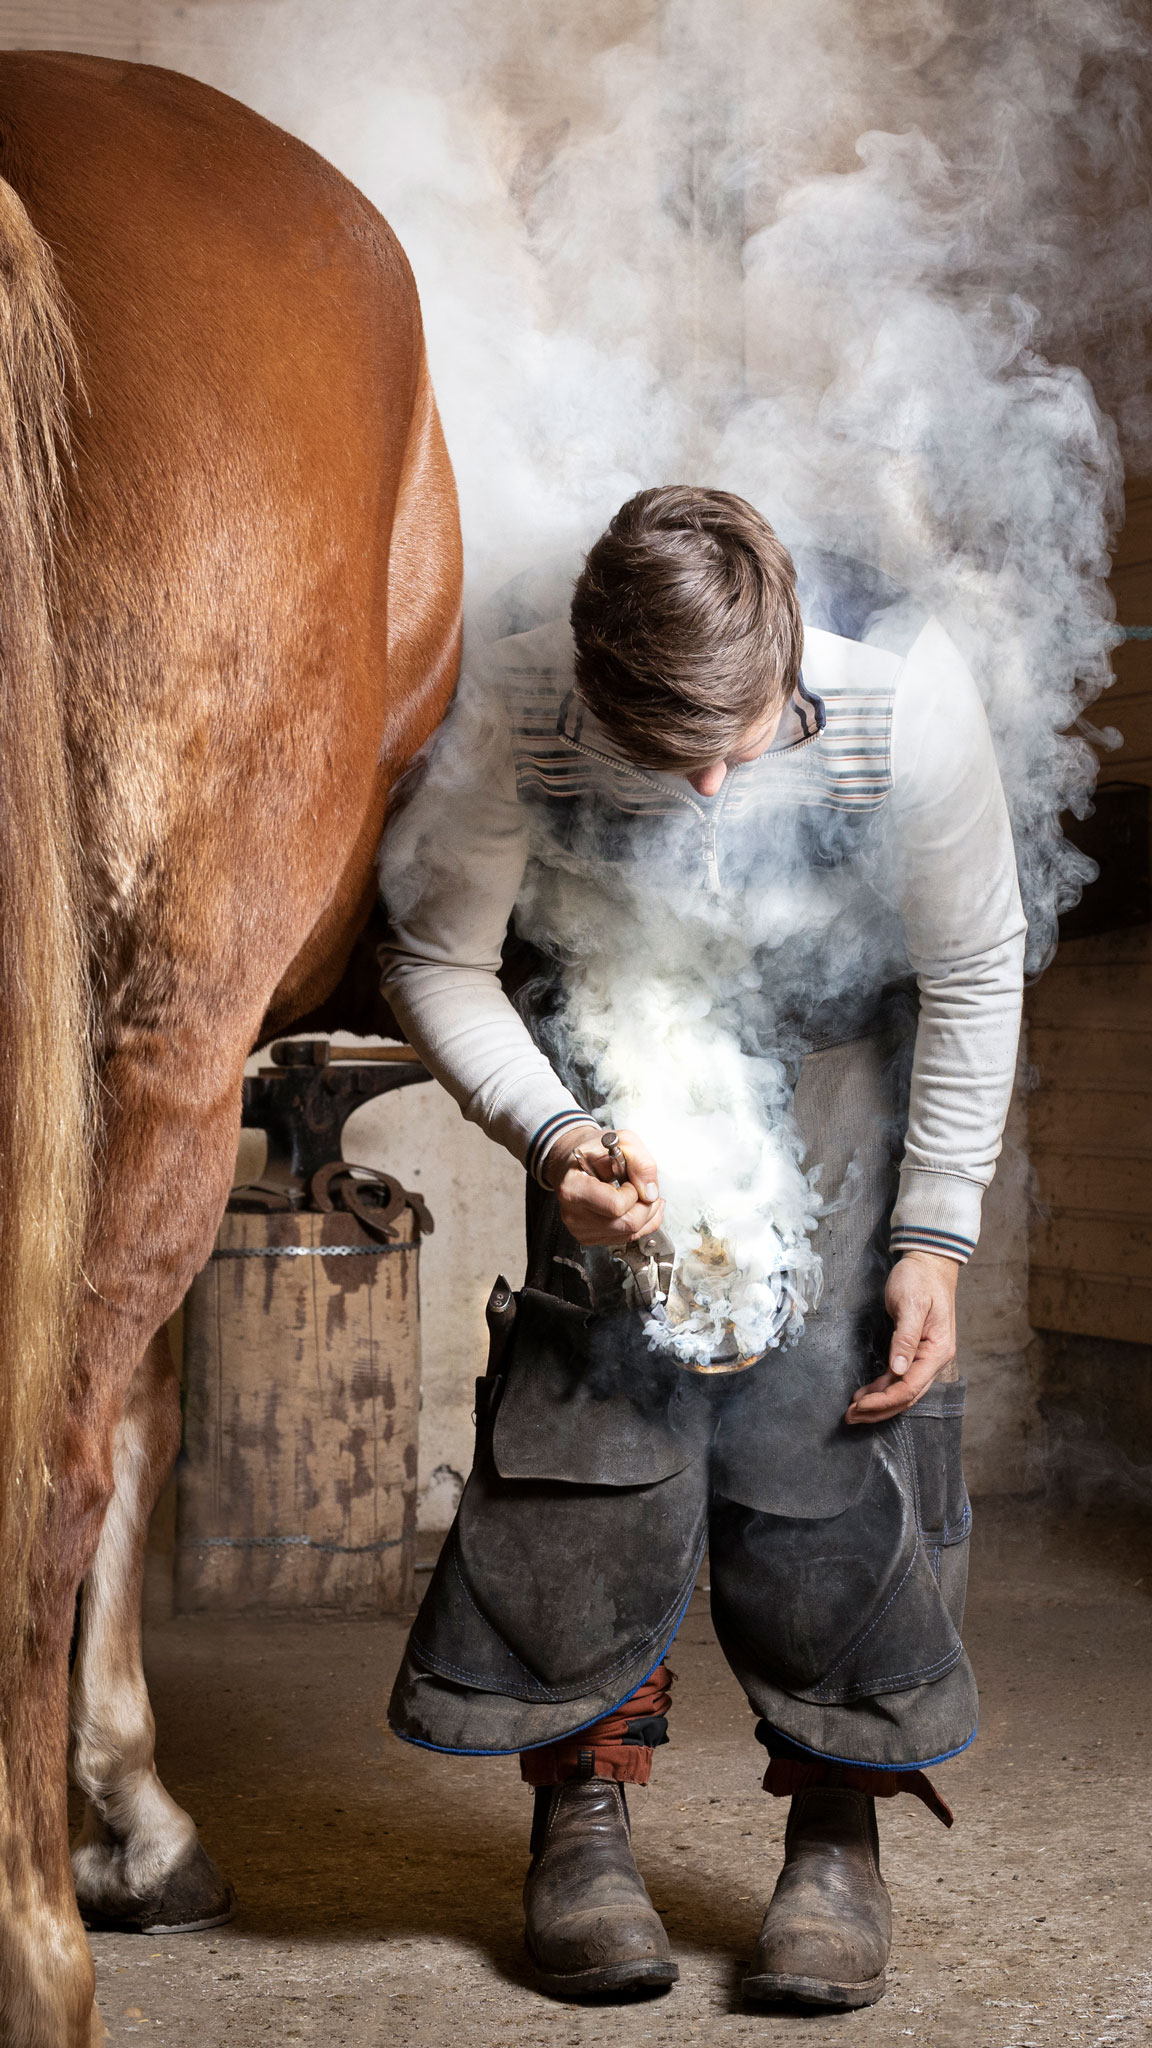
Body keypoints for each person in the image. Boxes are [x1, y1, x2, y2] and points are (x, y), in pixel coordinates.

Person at [378, 488, 1025, 2007]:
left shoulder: (898, 686)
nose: (721, 779)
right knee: (593, 1395)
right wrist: (555, 1137)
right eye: (675, 754)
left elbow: (977, 958)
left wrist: (934, 1233)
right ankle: (582, 1808)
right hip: (614, 1010)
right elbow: (438, 955)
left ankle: (838, 1824)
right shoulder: (522, 684)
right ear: (597, 681)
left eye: (745, 737)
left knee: (836, 1412)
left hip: (843, 1029)